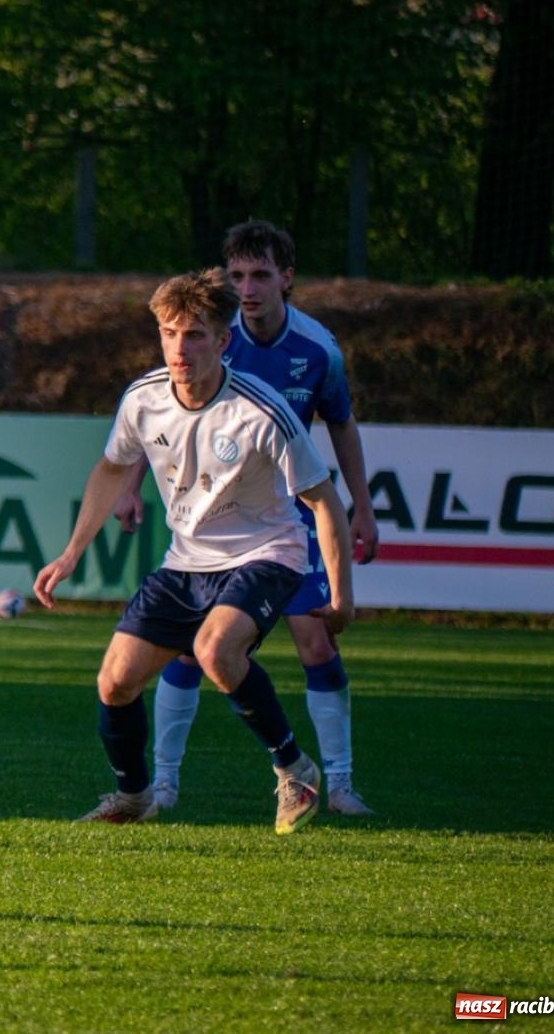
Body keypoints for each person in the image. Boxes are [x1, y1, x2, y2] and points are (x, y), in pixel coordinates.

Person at [33, 268, 354, 835]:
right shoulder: (143, 398)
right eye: (169, 333)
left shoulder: (261, 410)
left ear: (223, 340)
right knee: (114, 682)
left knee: (214, 651)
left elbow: (324, 503)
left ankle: (293, 769)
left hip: (267, 552)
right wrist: (71, 553)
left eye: (196, 334)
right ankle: (134, 796)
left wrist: (342, 596)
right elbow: (111, 470)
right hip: (187, 562)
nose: (180, 348)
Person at [114, 221, 379, 817]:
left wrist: (360, 505)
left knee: (314, 638)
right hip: (218, 524)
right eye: (237, 276)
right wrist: (128, 487)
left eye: (260, 275)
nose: (248, 288)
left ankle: (337, 783)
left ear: (287, 277)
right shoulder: (209, 334)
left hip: (290, 518)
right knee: (187, 649)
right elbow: (158, 421)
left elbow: (340, 422)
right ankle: (163, 783)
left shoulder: (317, 351)